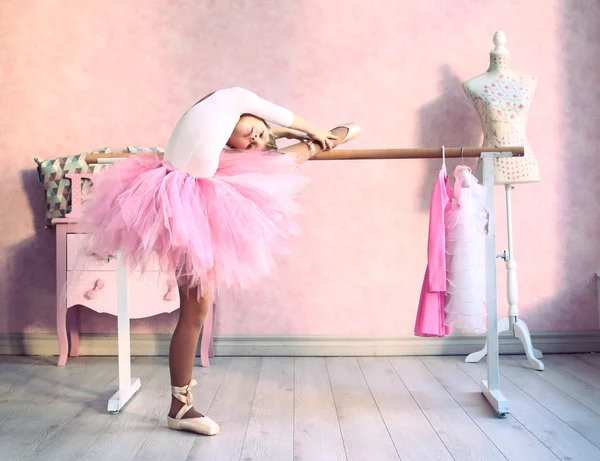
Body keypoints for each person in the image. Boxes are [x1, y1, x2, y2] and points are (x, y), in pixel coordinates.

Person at [82, 87, 360, 436]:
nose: (256, 137)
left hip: (194, 201)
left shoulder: (226, 133)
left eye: (256, 142)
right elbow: (274, 113)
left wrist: (302, 137)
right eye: (256, 133)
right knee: (195, 312)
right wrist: (305, 129)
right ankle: (180, 407)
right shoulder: (229, 99)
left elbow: (328, 127)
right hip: (182, 204)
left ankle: (180, 407)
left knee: (196, 310)